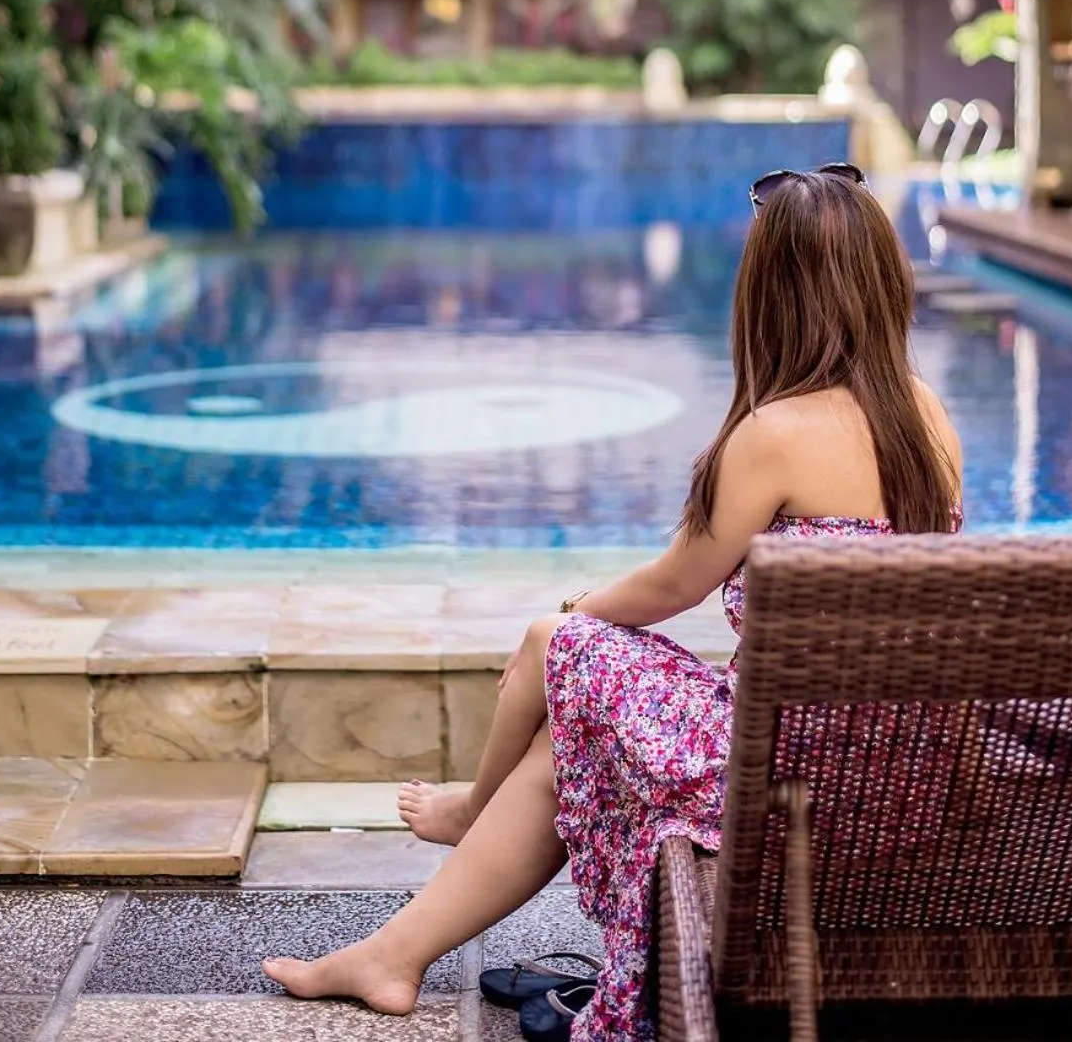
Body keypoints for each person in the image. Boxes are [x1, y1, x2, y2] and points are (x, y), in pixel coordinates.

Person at [264, 165, 964, 1039]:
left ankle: (466, 821)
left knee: (556, 639)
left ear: (771, 293)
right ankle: (395, 954)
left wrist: (574, 607)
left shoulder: (775, 436)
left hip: (785, 781)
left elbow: (674, 585)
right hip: (898, 777)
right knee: (565, 723)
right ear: (879, 280)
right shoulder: (929, 419)